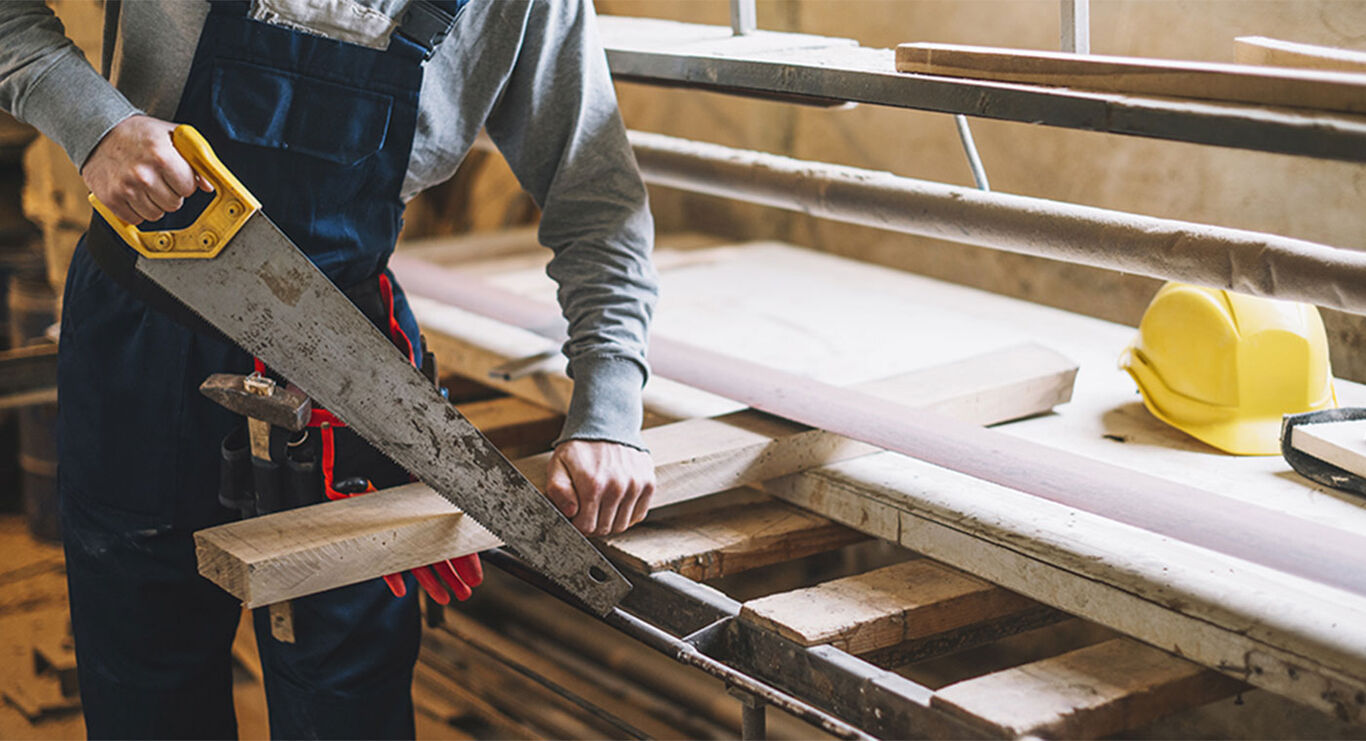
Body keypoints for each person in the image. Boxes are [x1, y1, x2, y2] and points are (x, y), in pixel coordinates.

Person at [0, 1, 659, 737]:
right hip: (144, 340)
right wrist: (92, 122)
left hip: (349, 376)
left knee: (349, 704)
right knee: (146, 692)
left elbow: (598, 202)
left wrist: (609, 407)